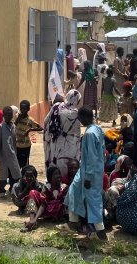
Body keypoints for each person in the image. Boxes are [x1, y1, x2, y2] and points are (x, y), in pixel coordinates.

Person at [64, 106, 107, 238]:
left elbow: (92, 157)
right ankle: (73, 221)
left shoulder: (89, 134)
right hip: (91, 170)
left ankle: (100, 231)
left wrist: (88, 177)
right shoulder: (97, 129)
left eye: (80, 118)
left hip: (90, 172)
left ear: (84, 117)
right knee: (74, 189)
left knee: (93, 200)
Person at [43, 90, 82, 178]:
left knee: (55, 162)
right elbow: (77, 132)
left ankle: (54, 180)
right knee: (69, 166)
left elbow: (46, 121)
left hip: (55, 142)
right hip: (70, 145)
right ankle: (66, 182)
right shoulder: (76, 113)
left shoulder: (56, 107)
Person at [24, 164, 68, 230]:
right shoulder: (47, 187)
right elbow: (43, 204)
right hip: (46, 211)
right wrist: (35, 219)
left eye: (59, 173)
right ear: (50, 177)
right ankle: (32, 219)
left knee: (57, 202)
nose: (58, 176)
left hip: (59, 212)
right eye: (55, 174)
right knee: (32, 193)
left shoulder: (64, 187)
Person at [0, 104, 21, 198]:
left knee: (15, 173)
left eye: (10, 115)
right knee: (3, 174)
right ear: (3, 115)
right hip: (4, 155)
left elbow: (14, 142)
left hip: (13, 154)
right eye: (6, 115)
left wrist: (16, 153)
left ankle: (12, 189)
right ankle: (2, 191)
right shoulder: (1, 127)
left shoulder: (13, 126)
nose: (8, 117)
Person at [14, 100, 42, 170]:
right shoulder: (16, 117)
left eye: (25, 108)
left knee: (25, 164)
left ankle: (24, 175)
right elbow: (13, 127)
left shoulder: (30, 120)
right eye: (21, 108)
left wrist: (30, 130)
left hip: (25, 146)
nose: (23, 110)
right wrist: (18, 120)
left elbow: (40, 128)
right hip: (16, 145)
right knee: (16, 163)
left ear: (28, 109)